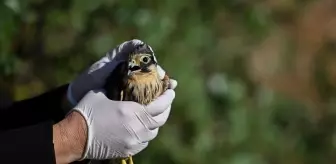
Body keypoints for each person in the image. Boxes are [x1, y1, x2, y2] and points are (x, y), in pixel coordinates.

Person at [0, 39, 177, 164]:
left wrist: (65, 103)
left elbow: (6, 121)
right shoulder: (126, 83)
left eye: (144, 61)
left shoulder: (159, 81)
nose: (134, 67)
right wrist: (70, 139)